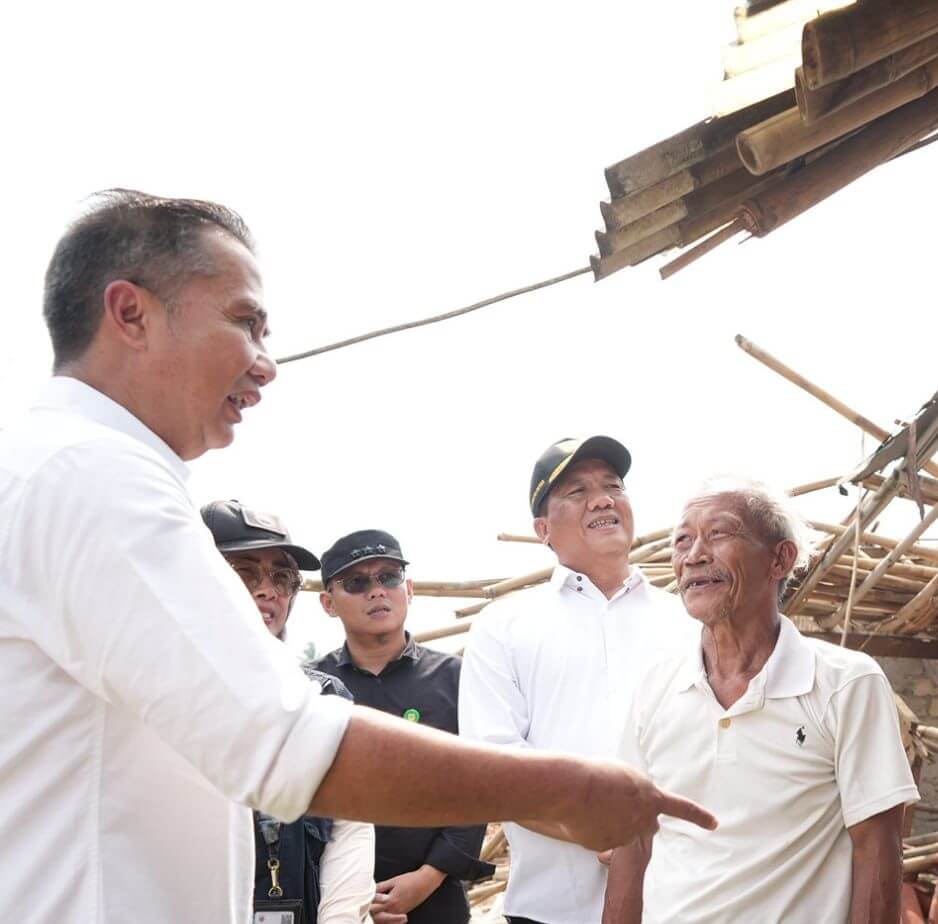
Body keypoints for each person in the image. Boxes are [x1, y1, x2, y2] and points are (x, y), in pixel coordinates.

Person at [0, 189, 713, 924]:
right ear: (130, 313)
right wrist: (567, 790)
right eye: (245, 323)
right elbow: (285, 745)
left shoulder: (60, 470)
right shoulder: (90, 476)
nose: (265, 364)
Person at [603, 479, 919, 924]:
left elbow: (878, 850)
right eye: (683, 540)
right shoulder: (656, 687)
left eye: (719, 534)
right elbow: (633, 843)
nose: (694, 555)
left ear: (779, 559)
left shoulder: (845, 683)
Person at [459, 436, 698, 924]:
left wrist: (651, 836)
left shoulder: (691, 623)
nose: (603, 498)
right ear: (542, 528)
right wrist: (595, 828)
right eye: (576, 490)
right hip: (551, 911)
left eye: (613, 485)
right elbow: (494, 765)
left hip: (680, 903)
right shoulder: (503, 625)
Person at [202, 499, 377, 924]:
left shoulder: (322, 695)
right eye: (245, 572)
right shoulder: (159, 691)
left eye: (283, 578)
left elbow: (350, 825)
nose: (268, 590)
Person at [312, 530, 495, 924]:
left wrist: (428, 878)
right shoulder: (311, 688)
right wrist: (351, 899)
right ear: (328, 603)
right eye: (357, 583)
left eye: (388, 578)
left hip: (436, 900)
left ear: (408, 589)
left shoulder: (456, 680)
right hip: (331, 903)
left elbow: (479, 790)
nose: (377, 591)